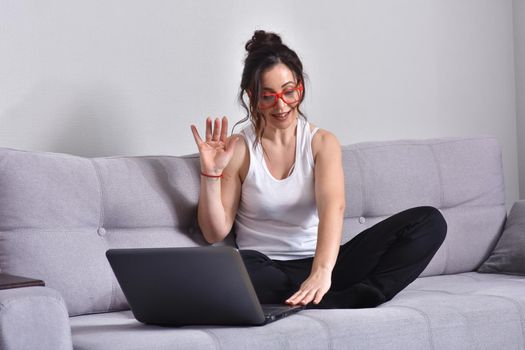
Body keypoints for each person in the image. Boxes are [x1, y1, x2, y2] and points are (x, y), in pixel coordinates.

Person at [190, 30, 447, 309]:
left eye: (289, 92)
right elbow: (214, 233)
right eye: (268, 96)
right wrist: (211, 173)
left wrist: (321, 272)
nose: (281, 105)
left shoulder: (322, 143)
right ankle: (334, 300)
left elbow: (333, 208)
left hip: (324, 265)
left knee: (429, 222)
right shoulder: (240, 149)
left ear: (300, 87)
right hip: (266, 269)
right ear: (253, 97)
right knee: (238, 268)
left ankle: (351, 294)